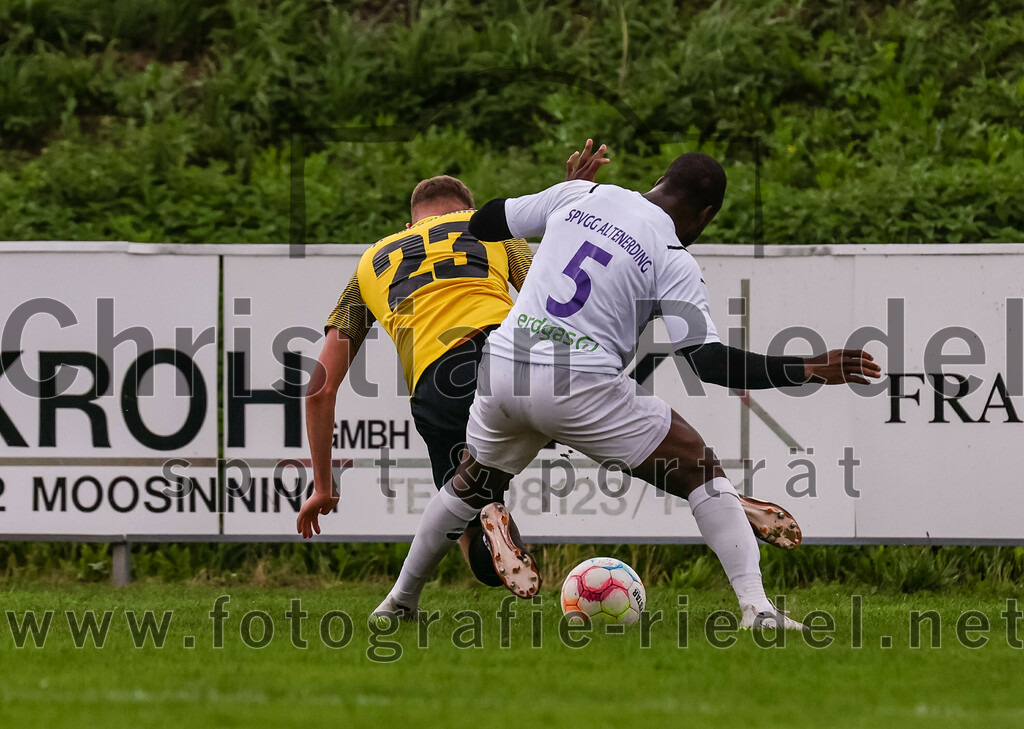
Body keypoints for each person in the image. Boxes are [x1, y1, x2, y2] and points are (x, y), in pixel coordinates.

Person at [374, 148, 881, 629]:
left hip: (503, 366)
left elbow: (485, 222)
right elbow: (706, 361)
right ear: (705, 214)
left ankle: (399, 601)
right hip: (577, 383)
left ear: (658, 182)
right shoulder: (673, 256)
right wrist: (808, 369)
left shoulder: (584, 196)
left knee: (468, 484)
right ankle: (757, 607)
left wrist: (561, 200)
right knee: (699, 467)